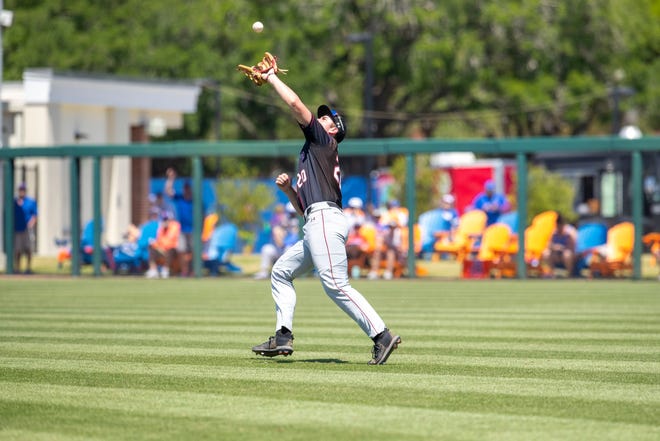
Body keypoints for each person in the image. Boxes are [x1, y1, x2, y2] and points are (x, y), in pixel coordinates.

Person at [248, 58, 401, 365]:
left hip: (325, 221)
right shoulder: (311, 153)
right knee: (280, 272)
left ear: (334, 130)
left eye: (328, 119)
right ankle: (282, 336)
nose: (322, 120)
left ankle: (381, 336)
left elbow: (294, 102)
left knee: (335, 285)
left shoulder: (322, 140)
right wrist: (290, 190)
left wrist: (272, 78)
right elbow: (304, 209)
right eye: (323, 118)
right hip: (316, 222)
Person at [254, 203, 299, 280]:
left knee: (288, 249)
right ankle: (263, 273)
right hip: (277, 250)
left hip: (289, 249)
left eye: (293, 214)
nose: (292, 216)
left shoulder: (299, 222)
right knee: (266, 249)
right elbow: (272, 233)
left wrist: (284, 241)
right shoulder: (280, 220)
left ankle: (288, 274)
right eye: (290, 213)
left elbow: (294, 238)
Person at [164, 168, 194, 276]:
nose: (186, 190)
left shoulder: (195, 200)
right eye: (185, 188)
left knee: (193, 252)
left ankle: (193, 271)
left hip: (193, 229)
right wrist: (171, 179)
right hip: (182, 229)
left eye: (188, 188)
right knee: (181, 250)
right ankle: (184, 271)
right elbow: (168, 191)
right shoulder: (180, 198)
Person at [145, 211, 180, 279]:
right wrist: (155, 244)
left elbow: (170, 240)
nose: (165, 221)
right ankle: (153, 270)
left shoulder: (175, 226)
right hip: (162, 249)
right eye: (164, 219)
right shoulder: (161, 228)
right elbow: (158, 240)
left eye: (166, 219)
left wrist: (162, 247)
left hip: (171, 249)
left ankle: (165, 270)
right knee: (151, 248)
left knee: (170, 250)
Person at [541, 212, 577, 277]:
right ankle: (551, 274)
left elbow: (573, 246)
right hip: (556, 254)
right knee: (546, 253)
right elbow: (548, 245)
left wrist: (562, 248)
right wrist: (555, 247)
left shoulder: (570, 232)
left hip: (569, 255)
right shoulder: (554, 232)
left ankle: (570, 274)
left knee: (567, 254)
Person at [14, 183, 38, 274]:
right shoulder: (14, 202)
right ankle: (17, 269)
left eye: (23, 190)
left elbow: (35, 215)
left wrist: (31, 223)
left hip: (27, 229)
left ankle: (28, 268)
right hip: (17, 229)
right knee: (17, 250)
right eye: (20, 190)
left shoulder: (30, 202)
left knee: (28, 249)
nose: (22, 191)